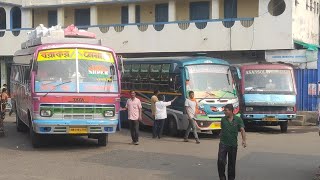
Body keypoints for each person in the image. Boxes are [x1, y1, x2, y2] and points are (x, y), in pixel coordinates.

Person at [217, 104, 247, 180]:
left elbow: (242, 130)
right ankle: (222, 177)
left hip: (233, 145)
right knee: (220, 161)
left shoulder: (238, 119)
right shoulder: (223, 119)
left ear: (231, 111)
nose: (224, 112)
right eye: (224, 110)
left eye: (226, 110)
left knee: (232, 163)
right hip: (223, 143)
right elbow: (222, 129)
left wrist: (244, 140)